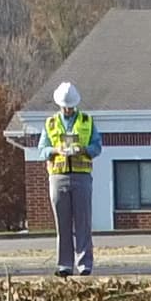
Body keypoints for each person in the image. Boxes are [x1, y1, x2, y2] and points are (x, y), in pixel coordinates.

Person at [40, 82, 98, 276]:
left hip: (81, 177)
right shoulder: (50, 124)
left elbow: (97, 146)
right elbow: (42, 149)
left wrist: (84, 150)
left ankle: (84, 264)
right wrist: (55, 150)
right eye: (65, 106)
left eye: (71, 106)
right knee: (62, 224)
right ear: (59, 105)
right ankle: (64, 264)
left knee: (83, 223)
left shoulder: (87, 121)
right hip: (58, 176)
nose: (68, 109)